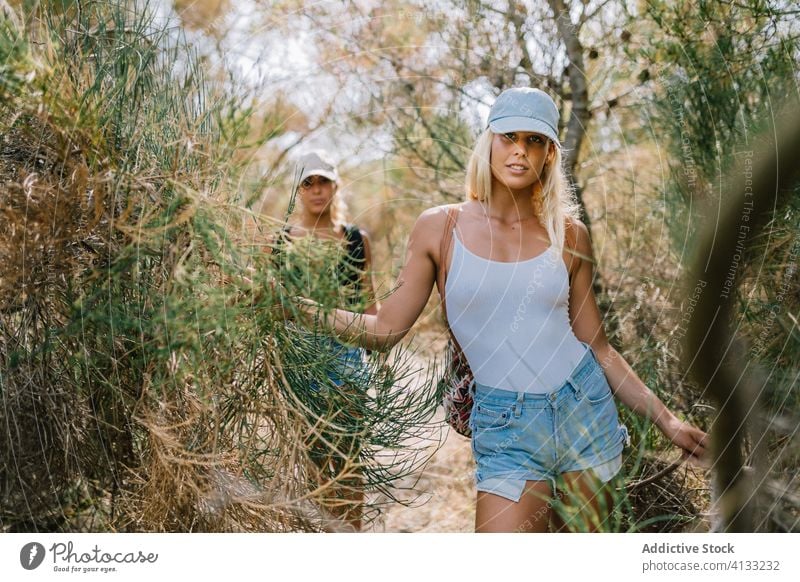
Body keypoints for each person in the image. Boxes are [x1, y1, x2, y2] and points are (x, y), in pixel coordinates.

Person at [296, 88, 709, 533]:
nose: (519, 151)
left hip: (584, 411)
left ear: (549, 155)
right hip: (506, 424)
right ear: (488, 141)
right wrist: (294, 310)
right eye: (509, 136)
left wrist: (668, 421)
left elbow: (598, 346)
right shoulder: (440, 227)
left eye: (535, 141)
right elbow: (385, 328)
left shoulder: (570, 235)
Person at [275, 150, 379, 531]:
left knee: (349, 460)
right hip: (301, 362)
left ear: (336, 186)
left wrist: (378, 347)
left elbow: (369, 300)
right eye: (308, 183)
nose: (317, 191)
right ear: (298, 190)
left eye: (323, 182)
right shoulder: (283, 241)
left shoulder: (355, 240)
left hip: (348, 360)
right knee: (313, 458)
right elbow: (274, 306)